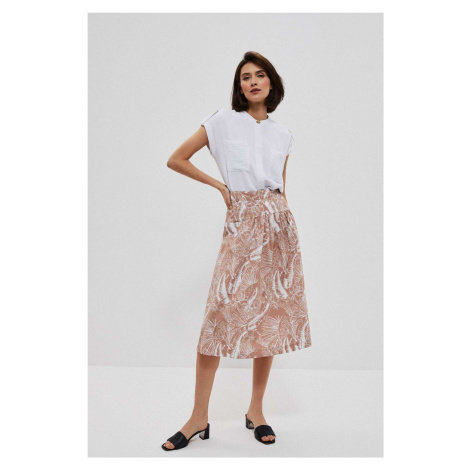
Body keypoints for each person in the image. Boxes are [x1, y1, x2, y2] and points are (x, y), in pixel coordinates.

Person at [162, 51, 312, 451]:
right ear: (239, 86)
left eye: (260, 75)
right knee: (216, 319)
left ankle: (256, 411)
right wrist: (219, 186)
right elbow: (176, 159)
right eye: (245, 77)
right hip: (242, 221)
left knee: (270, 319)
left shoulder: (283, 134)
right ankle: (198, 417)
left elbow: (281, 186)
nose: (253, 81)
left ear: (271, 82)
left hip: (279, 223)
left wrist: (284, 229)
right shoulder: (221, 121)